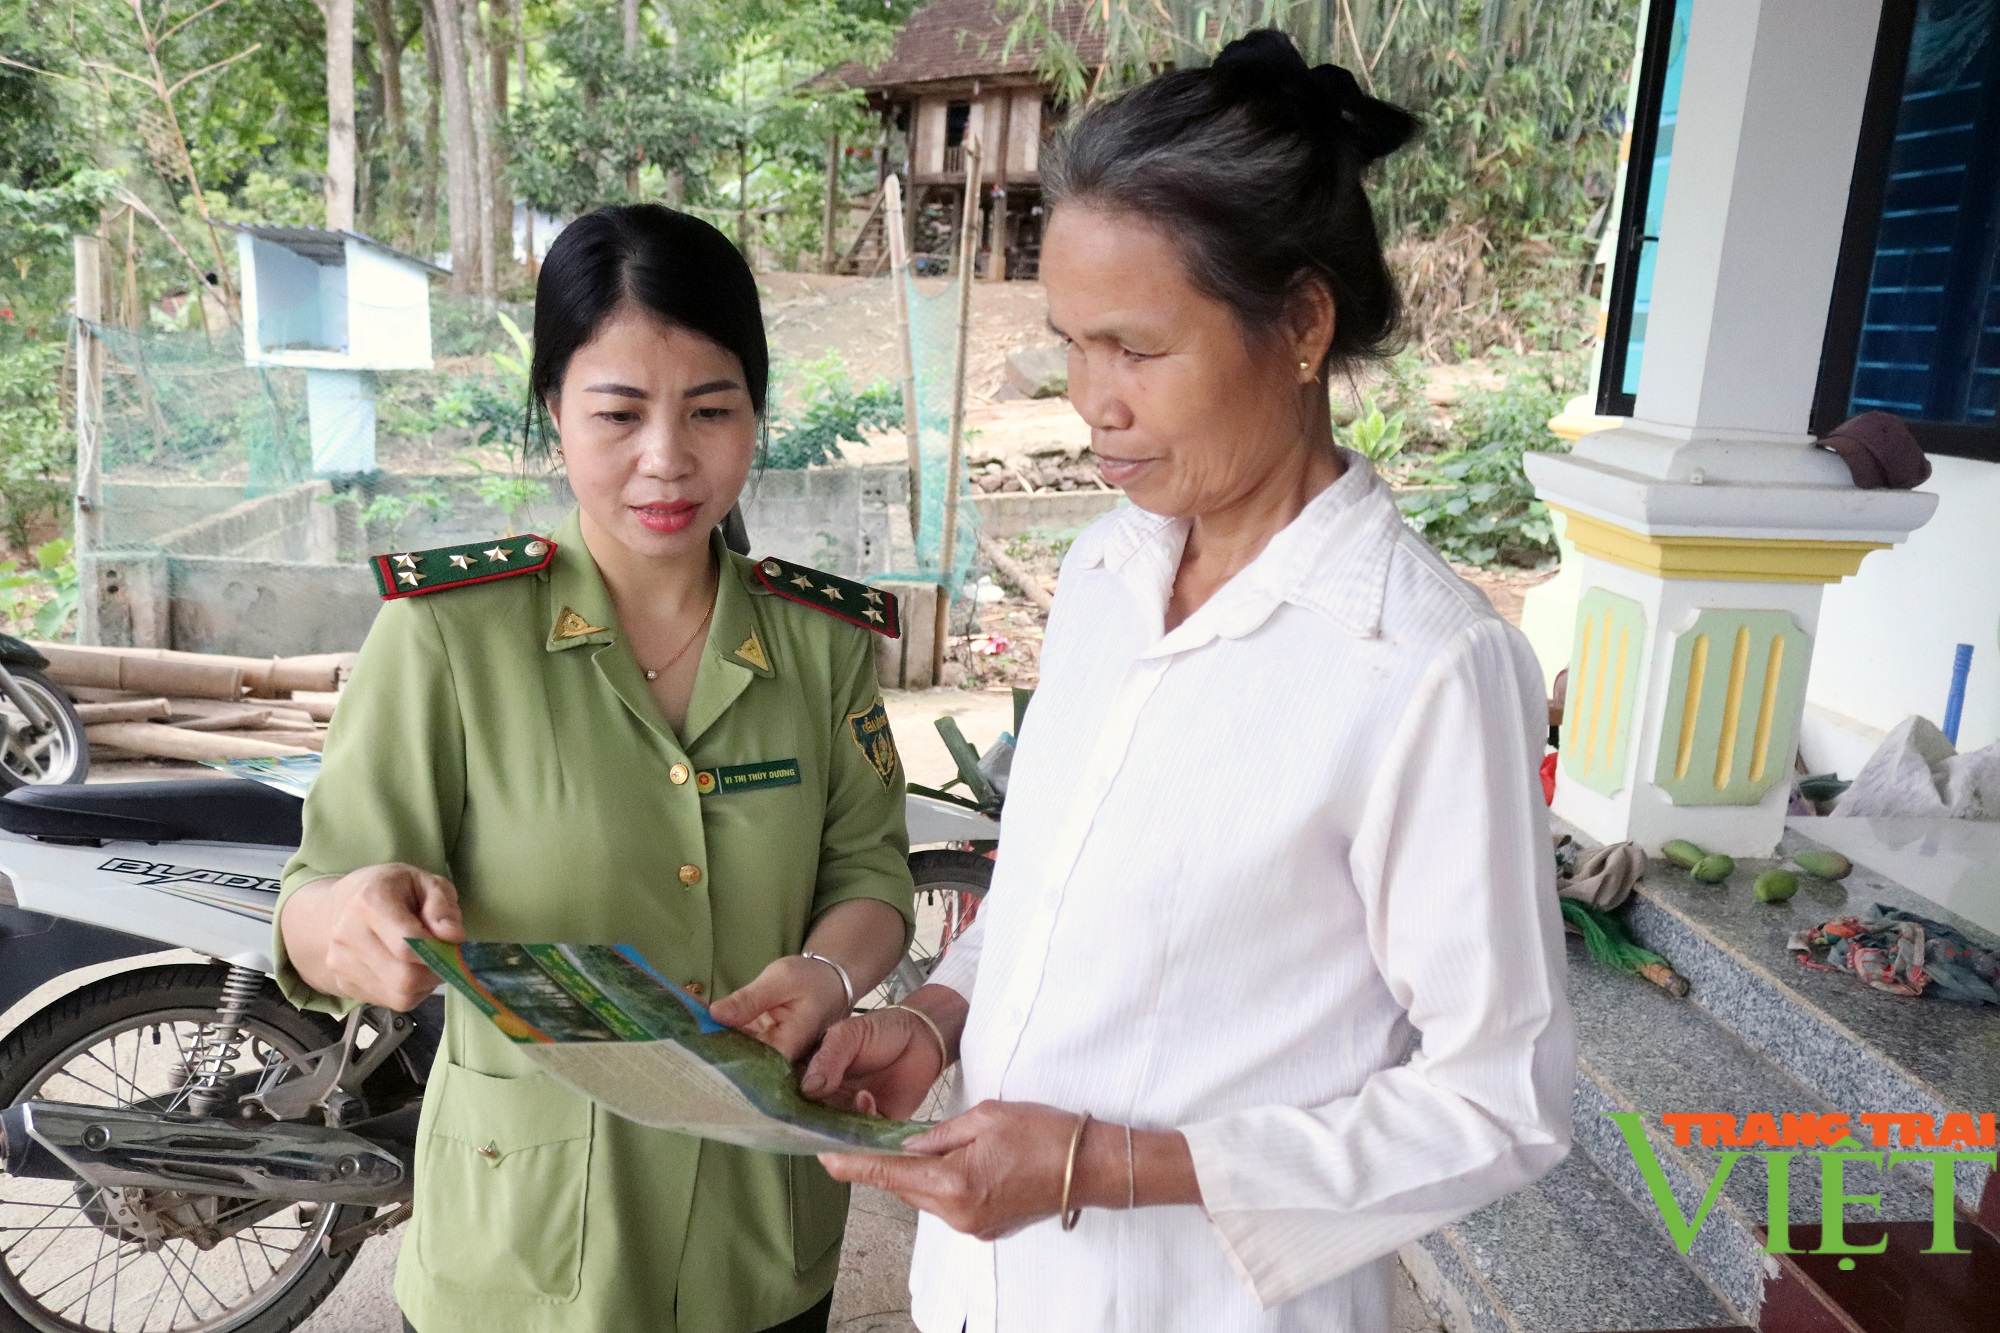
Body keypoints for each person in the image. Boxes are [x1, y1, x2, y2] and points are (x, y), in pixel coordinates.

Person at [802, 31, 1574, 1333]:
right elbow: (1048, 898)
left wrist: (1097, 1165)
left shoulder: (1424, 668)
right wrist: (935, 1018)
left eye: (1137, 349)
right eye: (1070, 344)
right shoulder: (1111, 572)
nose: (1090, 400)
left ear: (1303, 326)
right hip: (989, 1291)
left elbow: (1500, 1099)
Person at [273, 204, 916, 1333]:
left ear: (754, 414)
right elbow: (316, 908)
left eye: (710, 410)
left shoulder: (818, 645)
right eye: (617, 413)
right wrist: (356, 923)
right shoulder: (447, 638)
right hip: (525, 1255)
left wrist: (820, 977)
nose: (665, 458)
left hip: (756, 1240)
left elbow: (871, 876)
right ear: (554, 415)